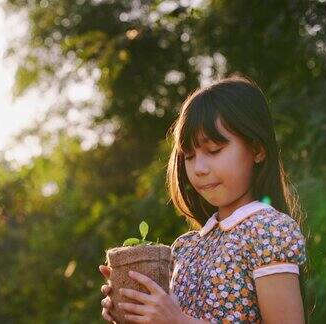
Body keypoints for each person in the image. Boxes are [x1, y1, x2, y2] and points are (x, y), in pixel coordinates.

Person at [99, 75, 309, 323]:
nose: (198, 168)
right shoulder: (185, 248)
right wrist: (132, 313)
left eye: (213, 151)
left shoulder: (268, 231)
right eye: (189, 156)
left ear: (257, 150)